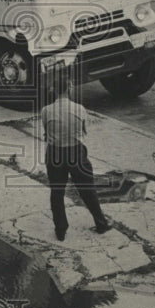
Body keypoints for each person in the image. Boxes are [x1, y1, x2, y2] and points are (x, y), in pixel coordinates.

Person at [40, 70, 110, 241]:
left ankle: (61, 229)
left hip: (55, 153)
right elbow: (84, 131)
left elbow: (46, 133)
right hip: (76, 152)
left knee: (57, 192)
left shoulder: (46, 110)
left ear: (53, 90)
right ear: (70, 88)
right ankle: (101, 223)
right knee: (87, 189)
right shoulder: (80, 109)